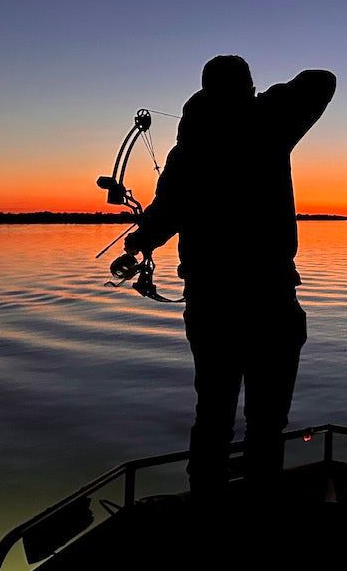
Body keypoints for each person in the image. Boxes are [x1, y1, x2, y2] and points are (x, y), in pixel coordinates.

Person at [123, 54, 335, 504]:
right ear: (249, 87)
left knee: (213, 416)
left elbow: (164, 216)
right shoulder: (268, 124)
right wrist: (258, 103)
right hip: (268, 300)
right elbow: (321, 81)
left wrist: (139, 240)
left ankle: (207, 508)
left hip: (211, 304)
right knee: (266, 422)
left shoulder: (188, 150)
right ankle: (259, 507)